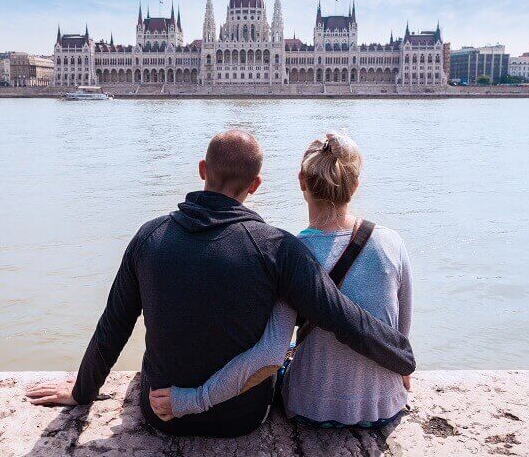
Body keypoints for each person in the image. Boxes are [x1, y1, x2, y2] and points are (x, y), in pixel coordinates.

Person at [26, 130, 415, 438]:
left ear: (201, 170)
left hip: (160, 413)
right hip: (243, 418)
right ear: (256, 185)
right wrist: (402, 357)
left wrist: (82, 391)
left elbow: (114, 325)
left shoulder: (148, 237)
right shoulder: (277, 247)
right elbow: (340, 318)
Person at [150, 132, 413, 429]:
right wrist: (402, 373)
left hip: (312, 407)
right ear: (355, 185)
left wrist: (192, 399)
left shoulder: (287, 251)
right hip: (387, 403)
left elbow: (269, 356)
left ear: (301, 181)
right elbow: (400, 329)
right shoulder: (392, 241)